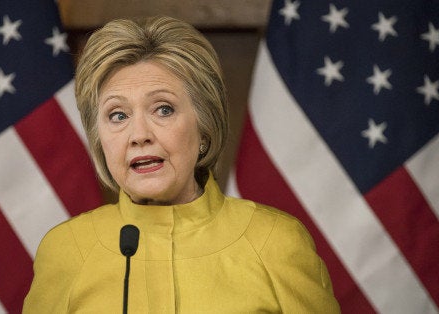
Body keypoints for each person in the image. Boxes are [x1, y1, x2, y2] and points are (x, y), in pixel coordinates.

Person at [23, 16, 340, 313]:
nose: (139, 135)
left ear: (204, 127)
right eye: (117, 115)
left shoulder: (275, 242)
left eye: (163, 109)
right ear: (99, 138)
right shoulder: (65, 251)